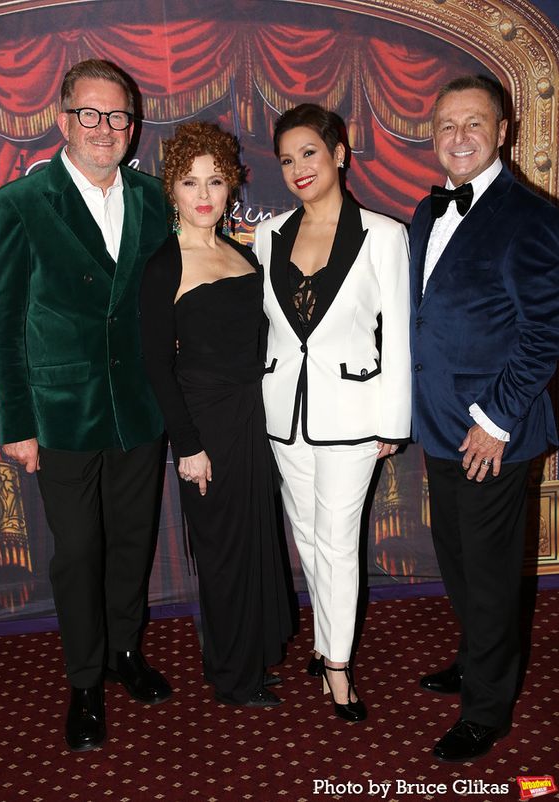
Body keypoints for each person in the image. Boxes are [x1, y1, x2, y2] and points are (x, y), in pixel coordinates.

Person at [0, 59, 172, 753]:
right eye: (89, 114)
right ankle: (85, 679)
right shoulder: (19, 204)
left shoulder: (156, 198)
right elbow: (0, 323)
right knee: (78, 551)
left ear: (133, 125)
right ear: (64, 121)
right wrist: (18, 423)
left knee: (131, 542)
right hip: (60, 414)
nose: (104, 128)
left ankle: (125, 653)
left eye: (117, 116)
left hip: (140, 410)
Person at [409, 75, 559, 762]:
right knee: (460, 562)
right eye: (446, 125)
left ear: (503, 132)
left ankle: (488, 711)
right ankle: (475, 658)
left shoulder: (532, 216)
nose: (459, 137)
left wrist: (496, 420)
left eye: (474, 124)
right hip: (438, 424)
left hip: (491, 433)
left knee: (493, 577)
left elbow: (546, 334)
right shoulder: (425, 211)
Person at [253, 104, 411, 722]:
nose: (298, 168)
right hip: (283, 414)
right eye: (287, 159)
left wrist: (392, 422)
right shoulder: (268, 235)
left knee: (339, 542)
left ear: (339, 153)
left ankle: (337, 664)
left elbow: (397, 335)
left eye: (309, 153)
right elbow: (271, 331)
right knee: (309, 535)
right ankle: (326, 639)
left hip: (353, 417)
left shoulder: (383, 234)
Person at [140, 121, 292, 707]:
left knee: (255, 539)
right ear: (171, 191)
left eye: (215, 181)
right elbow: (156, 365)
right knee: (224, 550)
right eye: (189, 182)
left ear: (232, 187)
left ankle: (249, 657)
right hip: (206, 424)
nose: (203, 194)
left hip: (252, 418)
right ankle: (233, 677)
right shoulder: (163, 265)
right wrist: (189, 447)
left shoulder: (237, 250)